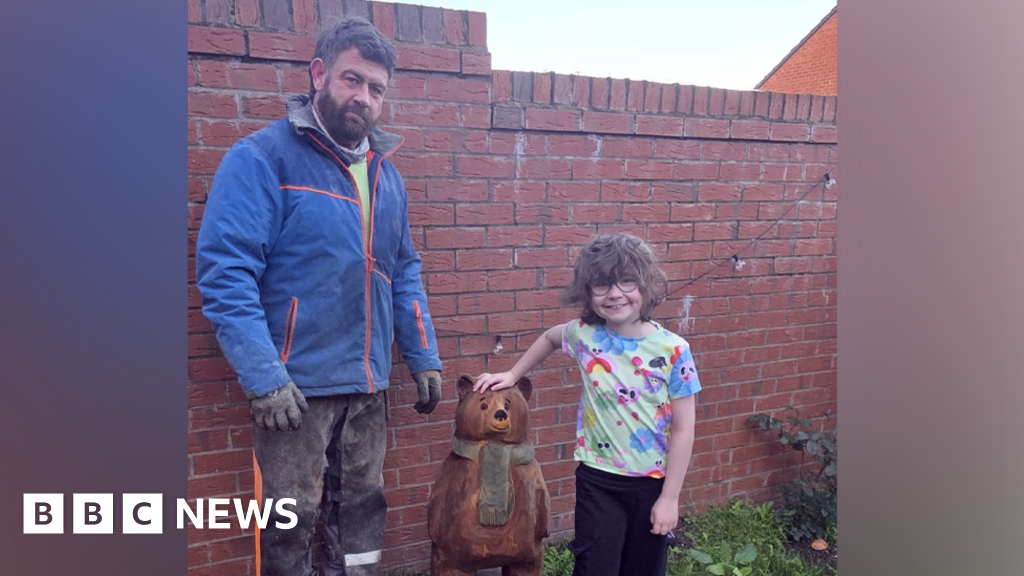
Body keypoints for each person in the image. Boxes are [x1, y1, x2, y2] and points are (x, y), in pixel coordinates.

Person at [195, 18, 442, 576]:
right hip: (293, 390)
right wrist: (264, 377)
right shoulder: (263, 158)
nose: (363, 97)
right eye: (352, 79)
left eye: (376, 88)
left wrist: (422, 354)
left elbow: (403, 271)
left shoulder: (386, 175)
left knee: (361, 512)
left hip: (369, 383)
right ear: (318, 74)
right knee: (292, 520)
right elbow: (225, 274)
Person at [474, 233, 701, 576]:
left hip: (652, 484)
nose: (614, 293)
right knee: (595, 566)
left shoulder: (673, 351)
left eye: (626, 281)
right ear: (587, 292)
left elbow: (684, 429)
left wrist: (670, 498)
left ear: (646, 285)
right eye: (601, 285)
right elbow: (550, 337)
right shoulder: (584, 335)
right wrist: (512, 372)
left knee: (643, 569)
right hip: (598, 481)